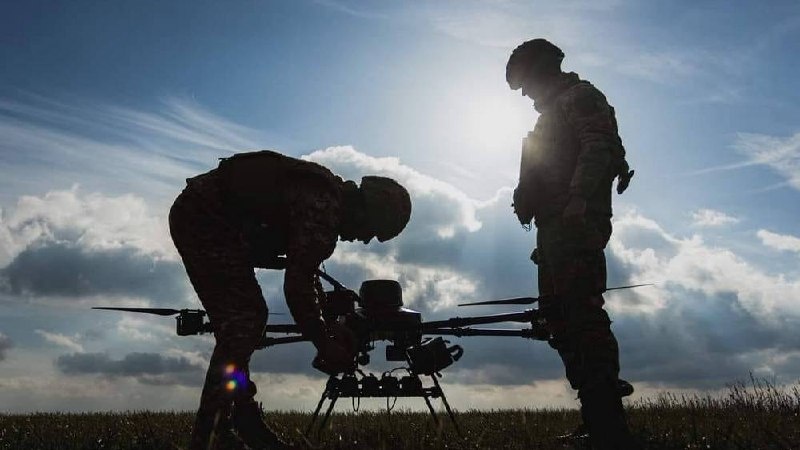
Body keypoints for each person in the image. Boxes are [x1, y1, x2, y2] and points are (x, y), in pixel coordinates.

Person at [169, 150, 412, 450]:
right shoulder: (324, 210)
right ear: (367, 213)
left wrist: (328, 323)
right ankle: (212, 435)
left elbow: (305, 273)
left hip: (206, 217)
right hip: (203, 219)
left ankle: (242, 422)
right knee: (246, 321)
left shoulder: (326, 199)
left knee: (238, 329)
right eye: (372, 232)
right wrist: (324, 343)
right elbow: (297, 286)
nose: (364, 239)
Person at [505, 39, 636, 449]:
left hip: (575, 223)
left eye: (526, 84)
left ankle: (607, 425)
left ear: (544, 71)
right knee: (555, 318)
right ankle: (594, 413)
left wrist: (579, 198)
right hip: (553, 227)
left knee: (582, 315)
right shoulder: (551, 115)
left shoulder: (580, 97)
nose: (525, 94)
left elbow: (599, 147)